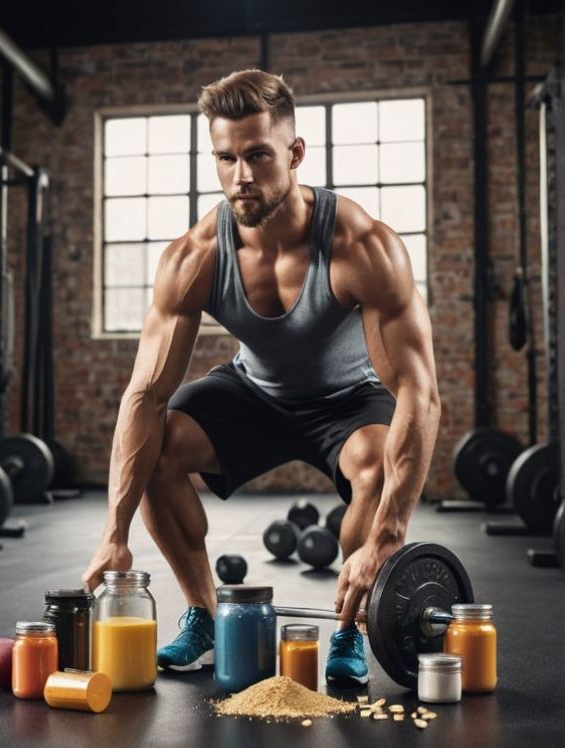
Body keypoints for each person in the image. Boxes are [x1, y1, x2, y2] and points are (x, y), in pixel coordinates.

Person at [82, 69, 441, 686]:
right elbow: (145, 393)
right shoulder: (194, 257)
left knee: (376, 462)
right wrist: (115, 534)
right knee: (158, 446)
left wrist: (389, 535)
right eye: (225, 158)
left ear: (294, 153)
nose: (240, 175)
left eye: (257, 155)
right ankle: (203, 614)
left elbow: (420, 391)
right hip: (255, 390)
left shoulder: (361, 245)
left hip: (348, 399)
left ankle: (349, 630)